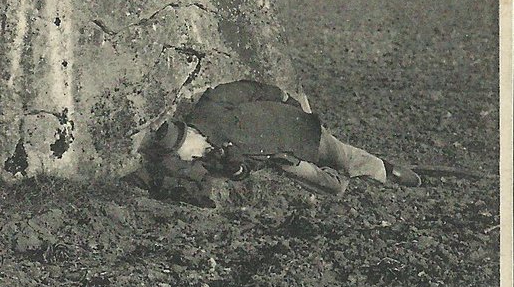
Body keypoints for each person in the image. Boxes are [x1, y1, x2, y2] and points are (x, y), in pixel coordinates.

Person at [149, 79, 421, 198]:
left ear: (189, 134)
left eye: (188, 152)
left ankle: (384, 170)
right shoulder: (210, 155)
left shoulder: (210, 107)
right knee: (331, 187)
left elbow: (249, 90)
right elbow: (245, 170)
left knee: (342, 156)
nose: (194, 157)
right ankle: (347, 182)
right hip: (281, 157)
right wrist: (236, 167)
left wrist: (284, 99)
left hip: (293, 128)